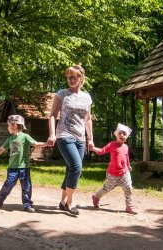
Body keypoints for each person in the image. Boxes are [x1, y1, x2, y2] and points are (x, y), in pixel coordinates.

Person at [47, 65, 94, 215]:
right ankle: (70, 202)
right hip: (64, 135)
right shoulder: (62, 94)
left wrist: (90, 139)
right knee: (76, 167)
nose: (70, 79)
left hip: (80, 138)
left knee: (72, 170)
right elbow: (53, 115)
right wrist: (52, 134)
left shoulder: (87, 97)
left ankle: (62, 202)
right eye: (68, 77)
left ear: (81, 78)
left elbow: (88, 119)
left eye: (73, 77)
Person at [0, 115, 47, 213]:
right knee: (9, 184)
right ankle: (1, 196)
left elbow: (35, 144)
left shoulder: (25, 137)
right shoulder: (10, 139)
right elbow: (1, 149)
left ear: (14, 125)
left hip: (24, 168)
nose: (7, 128)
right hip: (13, 168)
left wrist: (46, 143)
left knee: (26, 187)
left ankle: (27, 204)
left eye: (8, 125)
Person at [91, 123, 138, 214]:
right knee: (106, 189)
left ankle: (129, 206)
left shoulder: (126, 146)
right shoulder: (112, 144)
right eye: (120, 133)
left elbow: (126, 157)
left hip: (124, 172)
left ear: (126, 137)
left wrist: (128, 166)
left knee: (128, 187)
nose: (122, 135)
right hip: (113, 173)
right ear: (116, 135)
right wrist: (94, 148)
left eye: (124, 134)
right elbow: (102, 150)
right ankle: (96, 197)